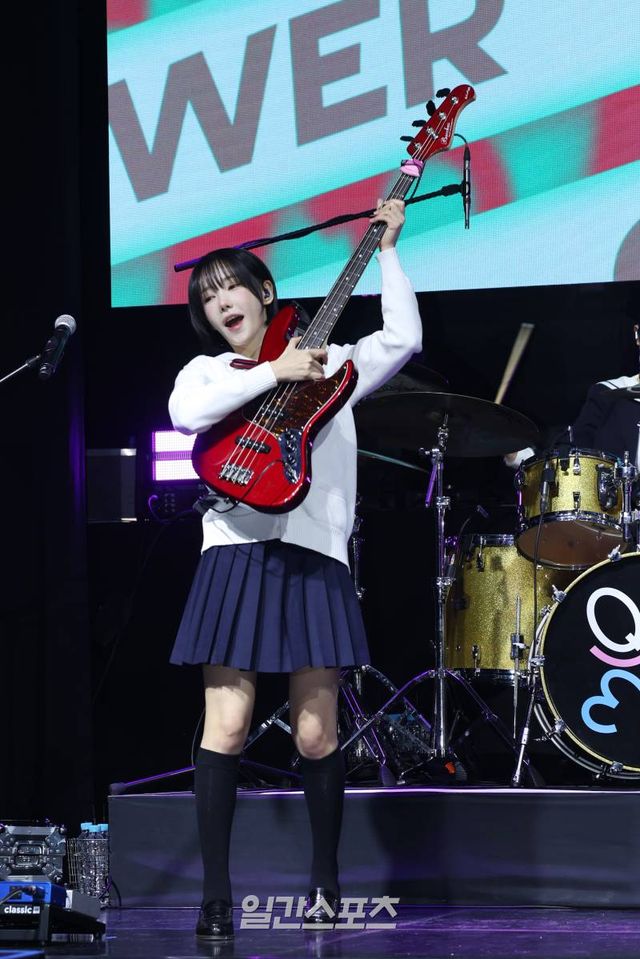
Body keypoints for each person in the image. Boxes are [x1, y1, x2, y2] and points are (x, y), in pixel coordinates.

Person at [168, 198, 422, 941]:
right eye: (208, 297)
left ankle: (325, 881)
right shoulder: (209, 372)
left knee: (315, 733)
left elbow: (403, 338)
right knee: (228, 726)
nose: (221, 303)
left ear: (265, 293)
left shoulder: (333, 368)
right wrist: (271, 371)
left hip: (315, 558)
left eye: (231, 288)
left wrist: (390, 250)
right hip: (234, 553)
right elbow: (186, 416)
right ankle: (216, 896)